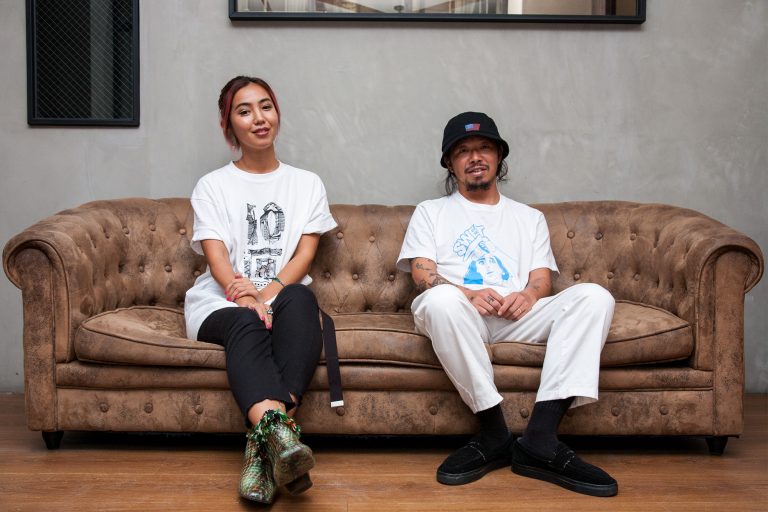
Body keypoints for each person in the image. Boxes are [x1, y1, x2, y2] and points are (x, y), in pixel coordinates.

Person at [396, 112, 618, 497]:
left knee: (594, 297)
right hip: (459, 314)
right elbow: (422, 274)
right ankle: (494, 433)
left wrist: (527, 296)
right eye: (463, 151)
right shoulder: (430, 212)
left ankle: (540, 440)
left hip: (517, 316)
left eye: (484, 147)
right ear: (449, 162)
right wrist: (468, 294)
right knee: (440, 299)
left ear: (499, 156)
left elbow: (541, 279)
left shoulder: (529, 218)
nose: (475, 157)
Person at [184, 76, 337, 504]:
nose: (258, 118)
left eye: (265, 106)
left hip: (284, 298)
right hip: (220, 302)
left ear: (277, 113)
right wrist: (247, 298)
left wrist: (266, 295)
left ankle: (263, 447)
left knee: (302, 297)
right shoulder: (212, 186)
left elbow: (304, 255)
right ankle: (279, 435)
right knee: (245, 322)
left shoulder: (307, 184)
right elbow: (217, 258)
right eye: (244, 110)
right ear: (228, 125)